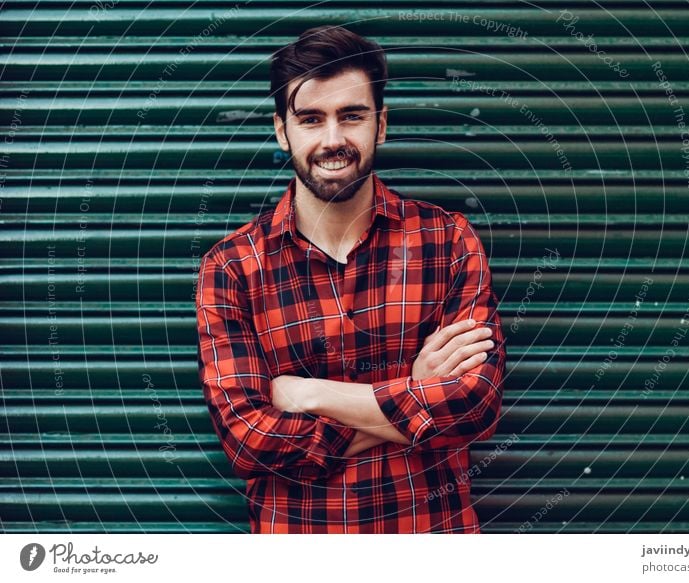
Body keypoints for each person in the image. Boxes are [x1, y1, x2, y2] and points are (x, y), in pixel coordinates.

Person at [196, 25, 506, 533]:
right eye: (312, 119)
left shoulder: (447, 241)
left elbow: (474, 406)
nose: (333, 139)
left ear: (380, 125)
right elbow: (247, 440)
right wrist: (417, 391)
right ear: (282, 131)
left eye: (352, 116)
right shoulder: (232, 268)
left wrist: (307, 394)